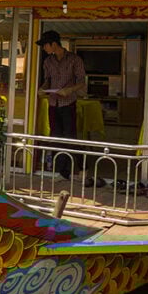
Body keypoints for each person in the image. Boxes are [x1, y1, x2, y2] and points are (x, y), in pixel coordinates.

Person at [37, 31, 103, 186]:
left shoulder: (74, 59)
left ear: (54, 44)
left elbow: (81, 81)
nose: (44, 48)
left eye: (45, 45)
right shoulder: (48, 61)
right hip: (53, 103)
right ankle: (61, 171)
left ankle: (82, 167)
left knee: (70, 137)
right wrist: (42, 88)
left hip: (68, 103)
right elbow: (48, 80)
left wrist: (70, 90)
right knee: (55, 137)